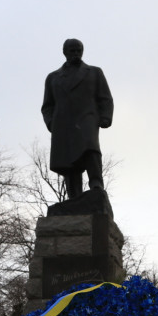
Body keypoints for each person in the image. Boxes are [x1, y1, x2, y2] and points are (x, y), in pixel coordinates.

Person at [41, 39, 114, 199]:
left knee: (90, 148)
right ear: (65, 52)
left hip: (87, 117)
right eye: (72, 51)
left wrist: (106, 116)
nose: (76, 54)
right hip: (63, 122)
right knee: (68, 159)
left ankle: (96, 183)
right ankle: (74, 196)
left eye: (78, 50)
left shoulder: (94, 72)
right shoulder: (53, 77)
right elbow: (47, 105)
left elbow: (105, 97)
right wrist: (52, 123)